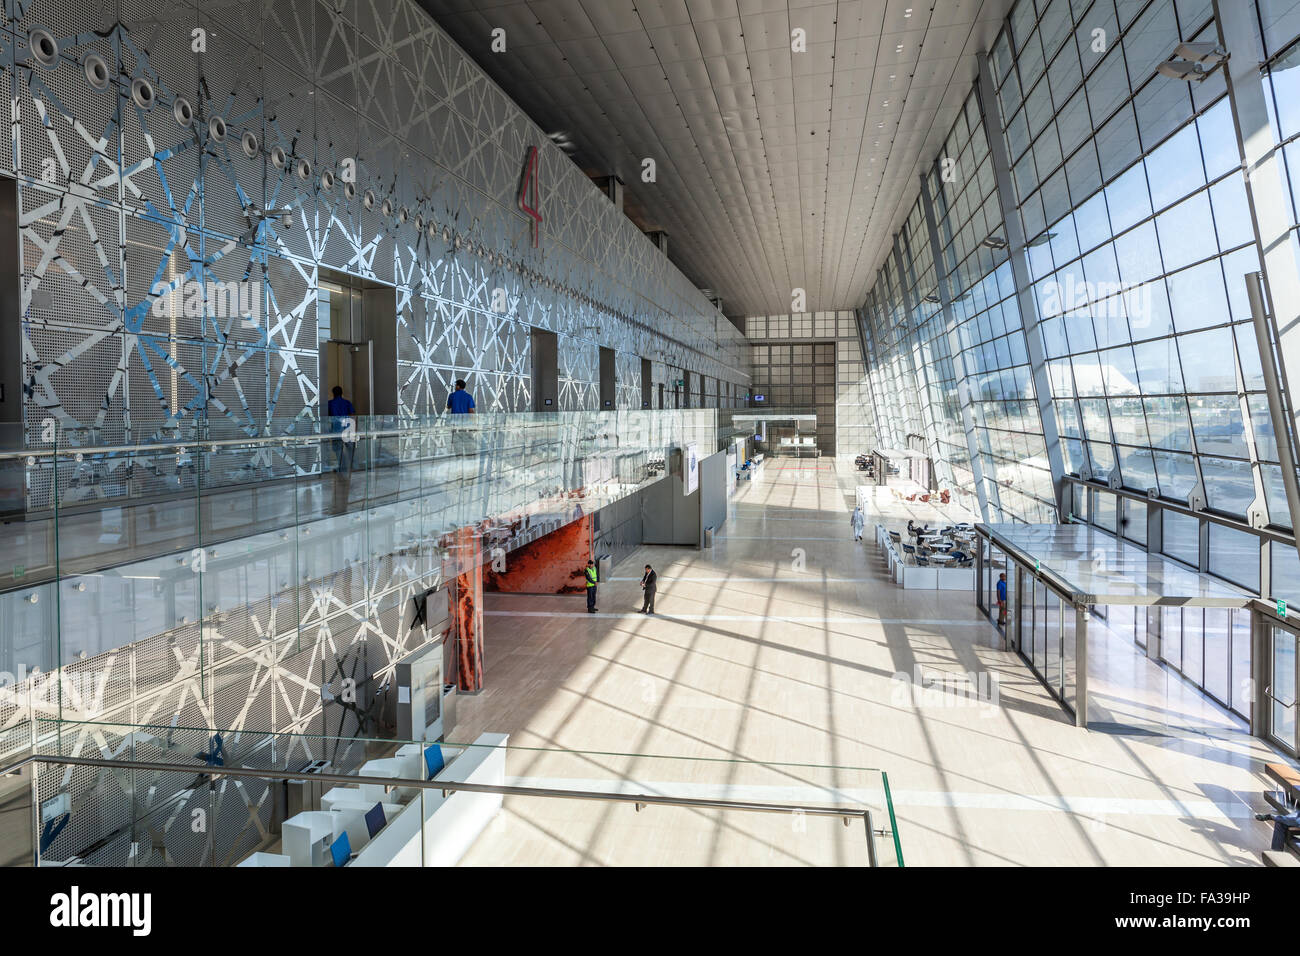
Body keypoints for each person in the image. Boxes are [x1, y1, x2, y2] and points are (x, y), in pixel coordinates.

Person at [327, 385, 355, 473]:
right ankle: (354, 466)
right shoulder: (347, 402)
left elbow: (328, 416)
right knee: (350, 449)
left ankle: (341, 468)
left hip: (336, 428)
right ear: (342, 393)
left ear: (333, 393)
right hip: (348, 428)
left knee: (338, 450)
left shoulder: (330, 403)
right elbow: (352, 414)